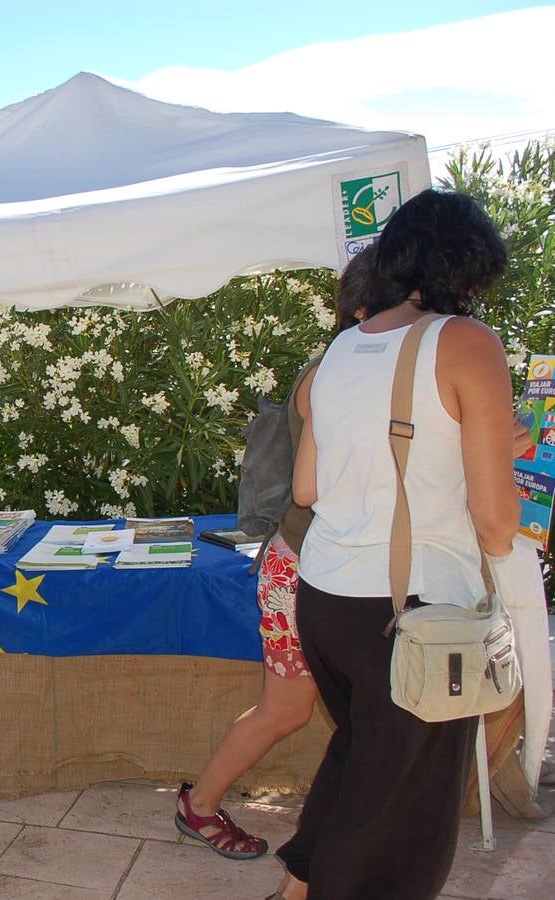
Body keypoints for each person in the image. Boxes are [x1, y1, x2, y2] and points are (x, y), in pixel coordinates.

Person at [269, 189, 518, 900]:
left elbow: (308, 487)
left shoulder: (339, 349)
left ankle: (296, 888)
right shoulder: (466, 342)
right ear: (466, 268)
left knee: (362, 762)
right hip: (410, 609)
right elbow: (496, 521)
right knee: (398, 814)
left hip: (324, 598)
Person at [176, 246, 378, 859]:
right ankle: (201, 806)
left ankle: (203, 808)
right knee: (290, 709)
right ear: (366, 307)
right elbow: (326, 485)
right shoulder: (337, 374)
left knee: (304, 709)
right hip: (305, 565)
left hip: (322, 564)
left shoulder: (348, 367)